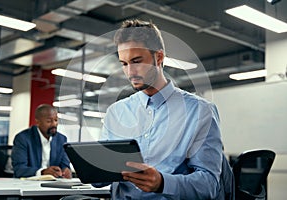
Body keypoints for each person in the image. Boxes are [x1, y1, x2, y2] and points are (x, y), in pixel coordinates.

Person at [96, 19, 234, 199]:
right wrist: (93, 169)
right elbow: (100, 179)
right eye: (124, 63)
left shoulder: (200, 111)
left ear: (159, 57)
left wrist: (162, 182)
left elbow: (209, 185)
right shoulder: (116, 112)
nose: (130, 72)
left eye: (137, 61)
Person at [11, 104, 72, 179]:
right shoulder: (23, 138)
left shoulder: (61, 139)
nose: (54, 124)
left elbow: (64, 164)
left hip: (54, 185)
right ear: (38, 122)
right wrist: (42, 172)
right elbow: (19, 169)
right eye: (49, 121)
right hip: (28, 184)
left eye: (56, 120)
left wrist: (65, 170)